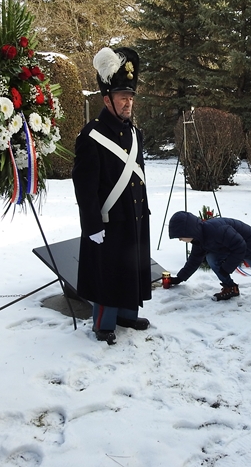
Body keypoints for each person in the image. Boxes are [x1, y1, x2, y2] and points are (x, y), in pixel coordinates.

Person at [72, 47, 152, 346]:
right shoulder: (91, 135)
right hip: (107, 221)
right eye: (122, 97)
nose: (128, 102)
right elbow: (84, 185)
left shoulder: (135, 133)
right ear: (107, 100)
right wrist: (91, 225)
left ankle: (127, 314)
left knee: (132, 267)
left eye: (130, 97)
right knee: (108, 273)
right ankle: (104, 322)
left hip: (133, 216)